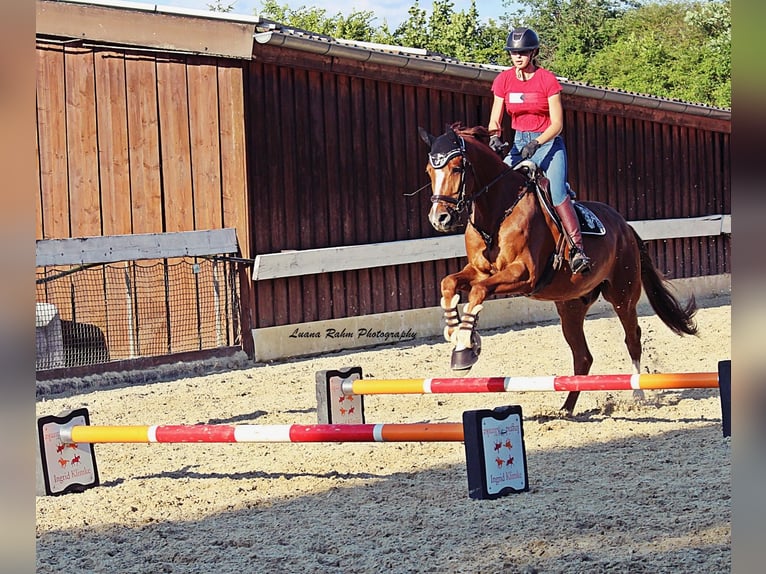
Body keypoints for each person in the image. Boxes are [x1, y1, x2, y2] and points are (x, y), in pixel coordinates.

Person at [487, 27, 591, 274]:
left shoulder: (547, 80)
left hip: (549, 143)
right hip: (519, 143)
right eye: (513, 53)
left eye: (522, 52)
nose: (517, 57)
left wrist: (536, 143)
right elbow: (495, 119)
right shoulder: (503, 80)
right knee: (498, 189)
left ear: (533, 53)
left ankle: (578, 250)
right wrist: (494, 137)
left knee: (555, 192)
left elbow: (557, 124)